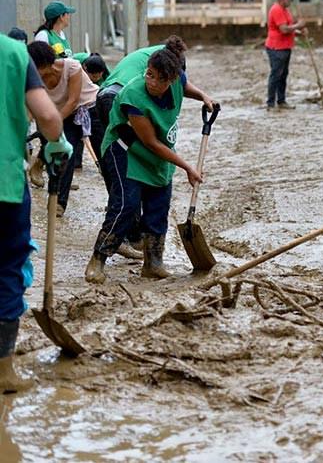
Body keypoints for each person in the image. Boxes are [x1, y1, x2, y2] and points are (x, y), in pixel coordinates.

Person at [83, 49, 217, 284]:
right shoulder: (133, 95)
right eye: (149, 74)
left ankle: (153, 263)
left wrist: (204, 96)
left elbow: (185, 86)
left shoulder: (176, 80)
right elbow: (150, 142)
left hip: (158, 155)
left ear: (172, 78)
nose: (152, 82)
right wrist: (187, 167)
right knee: (126, 204)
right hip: (126, 148)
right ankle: (98, 259)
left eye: (160, 79)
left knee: (158, 205)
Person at [0, 32, 71, 392]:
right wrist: (56, 146)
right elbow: (47, 115)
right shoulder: (12, 52)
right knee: (7, 267)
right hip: (5, 186)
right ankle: (4, 372)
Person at [26, 42, 100, 218]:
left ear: (48, 64)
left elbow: (73, 101)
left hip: (82, 109)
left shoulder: (71, 67)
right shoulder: (31, 78)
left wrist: (53, 123)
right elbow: (30, 107)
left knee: (76, 155)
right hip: (53, 114)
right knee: (60, 157)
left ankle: (60, 202)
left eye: (37, 68)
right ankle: (56, 199)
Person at [265, 0, 305, 110]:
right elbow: (283, 29)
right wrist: (299, 25)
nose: (291, 0)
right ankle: (270, 103)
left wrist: (299, 31)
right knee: (276, 75)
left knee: (283, 75)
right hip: (276, 48)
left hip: (285, 46)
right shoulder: (276, 10)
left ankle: (281, 101)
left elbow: (289, 28)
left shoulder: (285, 10)